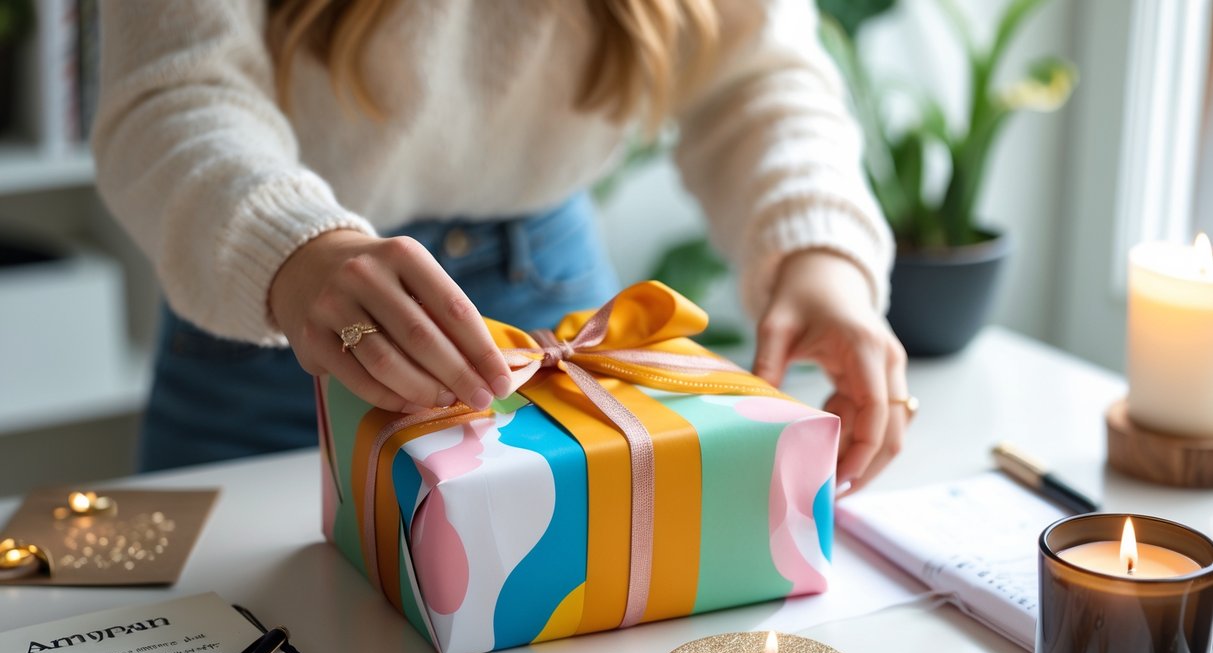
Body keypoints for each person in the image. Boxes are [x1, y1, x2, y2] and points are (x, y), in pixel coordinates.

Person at [93, 0, 908, 492]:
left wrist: (821, 257)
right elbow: (172, 90)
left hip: (557, 306)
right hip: (280, 311)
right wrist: (295, 253)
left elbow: (756, 72)